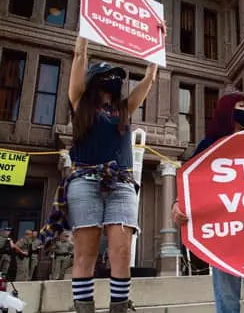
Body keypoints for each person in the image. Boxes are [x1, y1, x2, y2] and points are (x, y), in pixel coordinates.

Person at [38, 17, 164, 312]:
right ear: (95, 81)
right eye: (108, 76)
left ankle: (119, 306)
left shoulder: (124, 109)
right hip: (85, 181)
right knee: (86, 254)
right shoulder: (79, 101)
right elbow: (80, 56)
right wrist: (84, 20)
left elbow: (148, 79)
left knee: (121, 249)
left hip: (120, 183)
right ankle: (84, 308)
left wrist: (156, 50)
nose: (114, 81)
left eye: (117, 78)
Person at [171, 90, 244, 313]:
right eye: (240, 106)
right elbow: (191, 179)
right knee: (227, 298)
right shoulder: (209, 145)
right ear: (226, 110)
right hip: (225, 234)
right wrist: (177, 202)